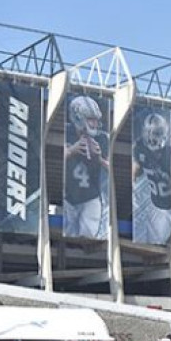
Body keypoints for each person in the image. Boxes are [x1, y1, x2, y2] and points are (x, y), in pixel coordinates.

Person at [64, 96, 110, 239]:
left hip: (91, 197)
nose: (95, 123)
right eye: (91, 119)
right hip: (68, 197)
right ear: (78, 117)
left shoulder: (102, 139)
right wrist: (72, 151)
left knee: (89, 238)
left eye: (96, 119)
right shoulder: (67, 133)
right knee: (69, 238)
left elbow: (112, 169)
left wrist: (100, 159)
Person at [132, 112, 171, 244]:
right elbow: (135, 171)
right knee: (142, 238)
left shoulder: (169, 155)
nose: (152, 137)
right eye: (149, 132)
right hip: (151, 202)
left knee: (157, 242)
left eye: (156, 133)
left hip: (168, 208)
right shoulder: (140, 148)